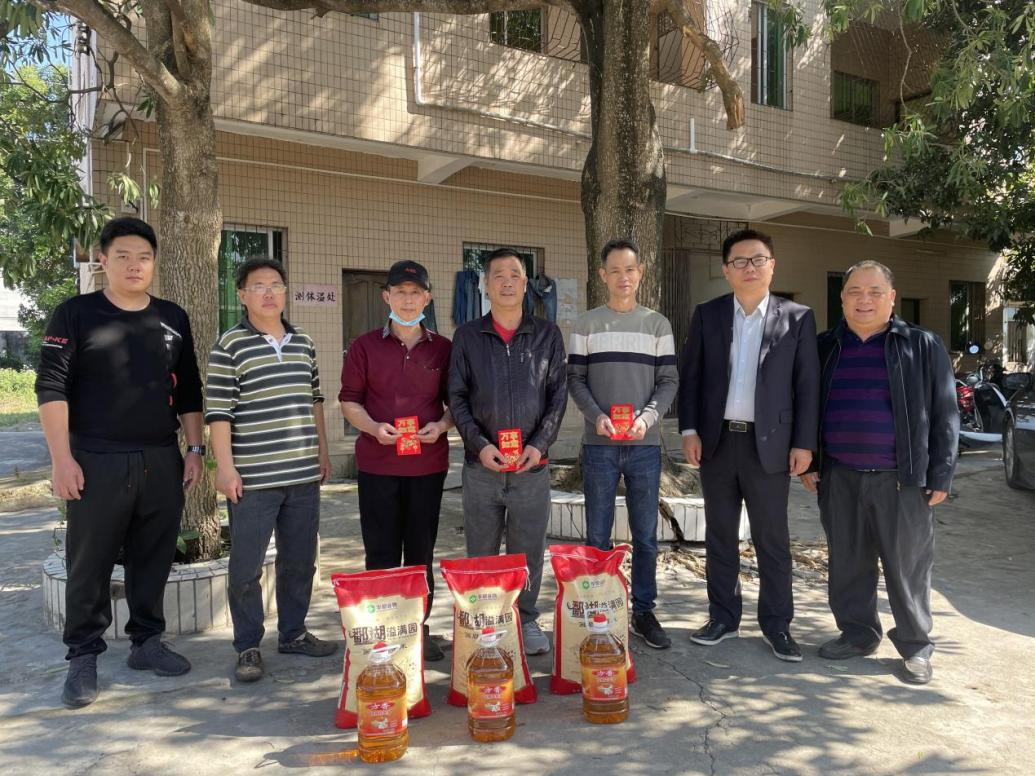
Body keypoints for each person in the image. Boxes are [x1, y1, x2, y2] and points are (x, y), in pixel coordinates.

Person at [36, 217, 204, 708]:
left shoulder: (172, 317)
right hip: (96, 458)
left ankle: (146, 642)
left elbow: (189, 390)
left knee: (154, 555)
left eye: (144, 257)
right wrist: (61, 459)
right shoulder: (75, 314)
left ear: (154, 263)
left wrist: (194, 449)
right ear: (103, 260)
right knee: (89, 561)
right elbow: (51, 388)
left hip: (160, 457)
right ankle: (83, 654)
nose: (135, 265)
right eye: (124, 256)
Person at [800, 260, 958, 684]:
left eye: (874, 292)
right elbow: (806, 407)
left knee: (907, 566)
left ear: (891, 297)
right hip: (839, 475)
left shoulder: (922, 345)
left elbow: (945, 412)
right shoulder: (824, 347)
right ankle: (857, 634)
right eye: (854, 291)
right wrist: (810, 461)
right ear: (842, 299)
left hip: (902, 479)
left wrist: (941, 472)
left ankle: (915, 646)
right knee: (848, 562)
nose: (864, 300)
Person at [679, 228, 820, 662]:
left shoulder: (797, 317)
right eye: (739, 261)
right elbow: (692, 376)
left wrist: (804, 443)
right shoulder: (708, 315)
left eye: (758, 259)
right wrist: (689, 430)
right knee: (720, 536)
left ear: (772, 266)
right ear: (726, 270)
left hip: (771, 447)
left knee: (771, 539)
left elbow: (807, 386)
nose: (749, 268)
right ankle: (723, 617)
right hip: (718, 442)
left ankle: (777, 625)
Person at [205, 256, 336, 683]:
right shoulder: (229, 346)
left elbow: (315, 401)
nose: (268, 293)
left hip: (302, 476)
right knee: (246, 567)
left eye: (276, 285)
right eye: (258, 286)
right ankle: (247, 645)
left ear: (285, 292)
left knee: (300, 562)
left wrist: (322, 452)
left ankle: (293, 633)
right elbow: (218, 413)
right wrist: (225, 468)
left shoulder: (304, 343)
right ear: (242, 295)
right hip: (254, 480)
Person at [448, 248, 567, 655]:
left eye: (515, 274)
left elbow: (558, 396)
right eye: (498, 275)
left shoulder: (547, 335)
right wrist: (480, 446)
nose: (507, 282)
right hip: (481, 468)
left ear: (525, 282)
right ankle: (483, 621)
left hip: (531, 468)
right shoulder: (468, 336)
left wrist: (539, 444)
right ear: (485, 284)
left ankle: (526, 619)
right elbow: (456, 397)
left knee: (528, 550)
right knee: (481, 552)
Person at [567, 238, 679, 649]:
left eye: (629, 269)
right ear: (602, 275)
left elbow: (668, 380)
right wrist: (596, 416)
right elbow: (575, 379)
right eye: (614, 270)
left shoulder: (657, 325)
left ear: (640, 273)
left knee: (645, 536)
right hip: (599, 445)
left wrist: (647, 418)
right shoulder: (586, 324)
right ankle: (597, 607)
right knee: (597, 535)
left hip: (644, 445)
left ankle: (644, 611)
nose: (623, 277)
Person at [339, 260, 453, 662]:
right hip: (377, 465)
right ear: (386, 296)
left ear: (428, 298)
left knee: (421, 551)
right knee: (381, 551)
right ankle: (384, 629)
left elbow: (456, 404)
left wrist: (441, 426)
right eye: (400, 292)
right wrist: (372, 428)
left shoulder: (443, 348)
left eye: (415, 292)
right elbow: (349, 401)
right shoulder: (364, 346)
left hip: (427, 466)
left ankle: (418, 628)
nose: (408, 300)